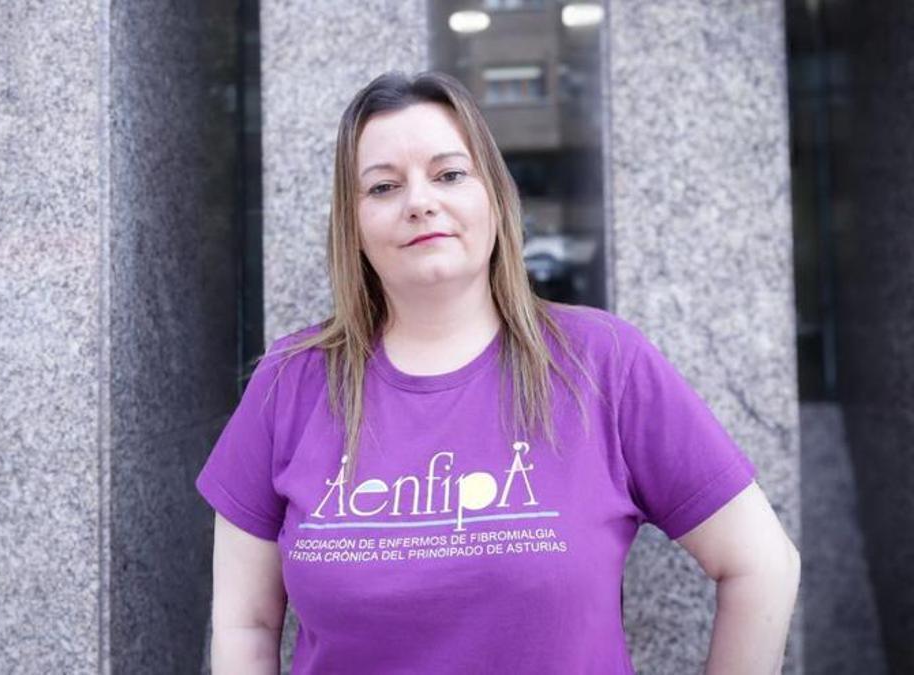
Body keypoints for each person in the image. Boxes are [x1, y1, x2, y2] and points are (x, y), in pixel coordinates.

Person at [195, 71, 800, 674]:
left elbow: (761, 562)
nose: (420, 202)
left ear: (495, 197)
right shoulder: (290, 382)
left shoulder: (602, 362)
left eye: (449, 174)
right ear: (352, 226)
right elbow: (246, 622)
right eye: (383, 187)